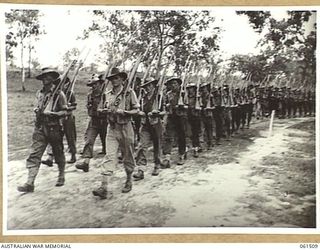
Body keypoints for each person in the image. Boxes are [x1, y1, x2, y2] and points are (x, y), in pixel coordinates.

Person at [17, 68, 68, 192]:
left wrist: (54, 114)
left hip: (54, 127)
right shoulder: (39, 93)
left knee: (58, 152)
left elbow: (65, 111)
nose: (46, 79)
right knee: (35, 154)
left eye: (49, 76)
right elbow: (37, 106)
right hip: (40, 127)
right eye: (44, 77)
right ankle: (30, 182)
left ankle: (61, 175)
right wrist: (37, 110)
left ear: (52, 79)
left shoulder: (58, 94)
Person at [92, 67, 139, 199]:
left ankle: (129, 179)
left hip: (125, 127)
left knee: (127, 155)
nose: (114, 81)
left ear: (123, 79)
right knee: (109, 155)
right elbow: (100, 108)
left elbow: (137, 110)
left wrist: (125, 112)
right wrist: (103, 111)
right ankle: (104, 187)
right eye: (112, 79)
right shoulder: (107, 94)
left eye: (116, 78)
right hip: (112, 128)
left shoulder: (129, 93)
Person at [75, 74, 108, 172]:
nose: (94, 86)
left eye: (96, 84)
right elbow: (88, 107)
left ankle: (109, 162)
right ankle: (86, 162)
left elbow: (109, 108)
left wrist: (103, 109)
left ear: (100, 84)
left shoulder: (106, 95)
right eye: (92, 84)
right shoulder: (90, 95)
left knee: (106, 141)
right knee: (89, 140)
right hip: (94, 121)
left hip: (105, 121)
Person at [41, 77, 77, 166]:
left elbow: (74, 106)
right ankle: (50, 157)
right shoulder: (55, 94)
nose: (61, 86)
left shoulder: (70, 93)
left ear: (67, 84)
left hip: (68, 118)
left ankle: (73, 155)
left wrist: (68, 107)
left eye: (64, 84)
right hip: (57, 118)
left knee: (70, 137)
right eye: (59, 84)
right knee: (54, 137)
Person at [133, 78, 163, 180]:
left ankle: (157, 165)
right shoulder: (142, 98)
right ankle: (141, 169)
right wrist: (139, 113)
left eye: (150, 85)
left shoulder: (159, 97)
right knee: (142, 146)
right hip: (145, 125)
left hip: (156, 124)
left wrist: (157, 113)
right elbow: (138, 110)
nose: (148, 87)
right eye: (146, 86)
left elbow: (165, 111)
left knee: (157, 145)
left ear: (154, 86)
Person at [162, 77, 187, 167]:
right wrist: (167, 105)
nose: (173, 85)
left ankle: (181, 155)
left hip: (181, 117)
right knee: (168, 136)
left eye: (175, 83)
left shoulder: (183, 94)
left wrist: (182, 106)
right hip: (171, 116)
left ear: (179, 84)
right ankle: (167, 158)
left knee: (181, 136)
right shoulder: (168, 94)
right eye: (171, 84)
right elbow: (165, 104)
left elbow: (188, 105)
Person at [186, 83, 201, 157]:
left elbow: (201, 106)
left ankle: (196, 148)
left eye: (191, 88)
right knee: (188, 133)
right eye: (189, 88)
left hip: (196, 116)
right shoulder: (185, 97)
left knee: (195, 133)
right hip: (187, 116)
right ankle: (187, 148)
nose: (190, 90)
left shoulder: (197, 97)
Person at [200, 82, 214, 150]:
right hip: (202, 114)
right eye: (202, 88)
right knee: (202, 129)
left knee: (209, 129)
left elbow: (214, 106)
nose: (203, 89)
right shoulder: (200, 96)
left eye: (204, 88)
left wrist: (209, 108)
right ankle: (202, 144)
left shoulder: (210, 96)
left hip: (208, 114)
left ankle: (210, 143)